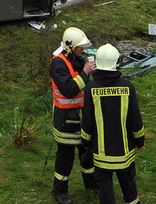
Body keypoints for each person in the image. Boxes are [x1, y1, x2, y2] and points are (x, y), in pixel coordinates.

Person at [81, 44, 145, 204]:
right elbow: (135, 118)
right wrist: (140, 140)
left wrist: (86, 143)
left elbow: (87, 121)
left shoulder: (91, 88)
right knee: (129, 184)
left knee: (105, 188)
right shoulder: (127, 87)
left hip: (102, 154)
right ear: (116, 62)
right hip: (125, 152)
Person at [50, 27, 98, 204]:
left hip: (82, 117)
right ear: (70, 47)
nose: (83, 50)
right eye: (80, 47)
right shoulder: (58, 64)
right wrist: (85, 73)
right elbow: (69, 90)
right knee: (65, 158)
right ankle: (60, 191)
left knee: (87, 153)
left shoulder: (77, 58)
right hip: (65, 120)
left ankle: (92, 187)